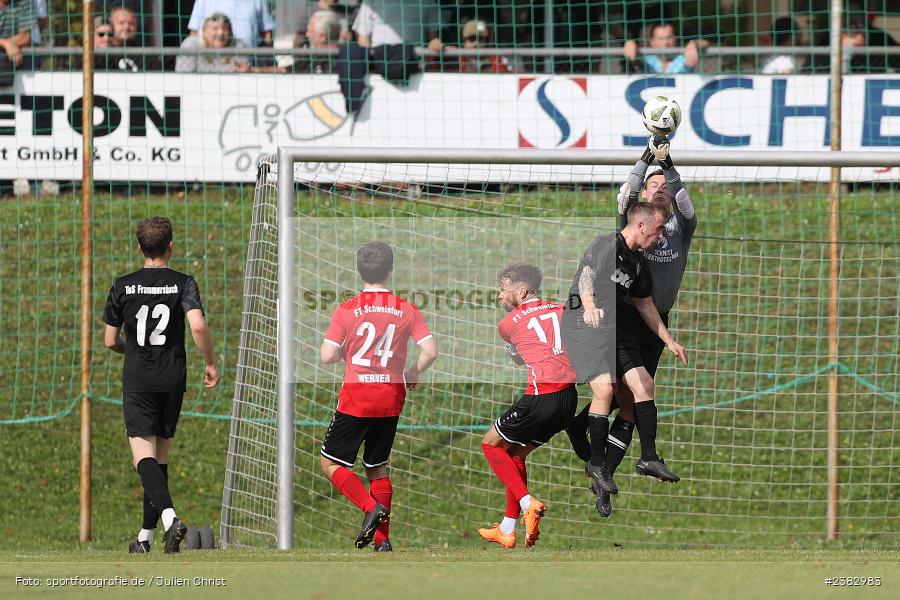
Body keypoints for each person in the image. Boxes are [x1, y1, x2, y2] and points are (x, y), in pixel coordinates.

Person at [588, 135, 698, 518]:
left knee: (635, 404)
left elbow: (684, 199)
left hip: (655, 319)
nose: (661, 189)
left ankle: (605, 477)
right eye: (654, 184)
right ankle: (608, 461)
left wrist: (669, 166)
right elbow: (626, 193)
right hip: (624, 317)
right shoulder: (634, 220)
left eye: (664, 186)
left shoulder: (682, 227)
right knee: (620, 391)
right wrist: (648, 157)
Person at [102, 217, 221, 554]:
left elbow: (110, 340)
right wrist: (211, 363)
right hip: (172, 379)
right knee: (159, 461)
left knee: (143, 459)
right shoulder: (183, 283)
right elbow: (197, 327)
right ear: (171, 246)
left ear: (140, 247)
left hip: (139, 378)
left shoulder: (123, 285)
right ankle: (145, 538)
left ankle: (170, 519)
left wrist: (133, 349)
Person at [561, 203, 688, 509]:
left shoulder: (638, 264)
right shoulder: (607, 244)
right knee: (605, 390)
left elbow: (645, 304)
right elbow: (586, 278)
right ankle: (597, 463)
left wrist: (668, 339)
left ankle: (648, 458)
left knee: (643, 385)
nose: (661, 238)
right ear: (641, 226)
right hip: (582, 324)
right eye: (658, 230)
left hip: (612, 328)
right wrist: (589, 306)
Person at [319, 241, 437, 551]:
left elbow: (327, 356)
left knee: (330, 464)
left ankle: (369, 508)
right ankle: (382, 542)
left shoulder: (347, 309)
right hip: (390, 398)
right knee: (378, 468)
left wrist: (348, 351)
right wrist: (412, 372)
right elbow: (430, 351)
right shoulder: (406, 308)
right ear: (390, 270)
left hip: (357, 398)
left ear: (359, 270)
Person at [478, 263, 578, 549]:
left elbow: (518, 359)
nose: (499, 296)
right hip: (568, 400)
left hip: (540, 395)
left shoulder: (508, 323)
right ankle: (507, 529)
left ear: (521, 291)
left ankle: (527, 503)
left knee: (490, 445)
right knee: (516, 455)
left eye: (502, 289)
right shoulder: (562, 309)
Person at [187, 0, 274, 48]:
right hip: (211, 62)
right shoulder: (203, 1)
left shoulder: (259, 1)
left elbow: (267, 34)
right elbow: (194, 33)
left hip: (248, 64)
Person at [623, 22, 700, 75]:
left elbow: (705, 43)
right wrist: (630, 43)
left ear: (675, 39)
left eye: (669, 37)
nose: (665, 43)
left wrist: (695, 44)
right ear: (652, 42)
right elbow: (634, 61)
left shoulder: (684, 58)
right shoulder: (647, 60)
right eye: (661, 38)